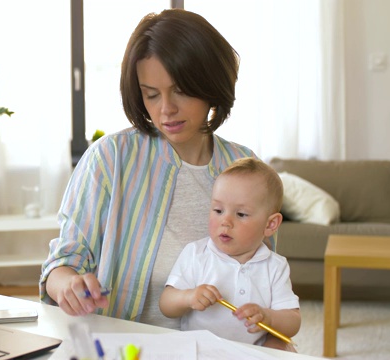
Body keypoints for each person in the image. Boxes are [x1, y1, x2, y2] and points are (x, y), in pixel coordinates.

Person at [40, 8, 270, 329]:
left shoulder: (244, 168)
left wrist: (274, 335)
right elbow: (64, 261)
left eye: (180, 90)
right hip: (125, 344)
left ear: (211, 84)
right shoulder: (111, 157)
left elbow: (267, 277)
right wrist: (67, 285)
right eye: (151, 95)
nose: (166, 110)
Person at [159, 157, 301, 351]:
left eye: (241, 214)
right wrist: (189, 297)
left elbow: (293, 322)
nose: (225, 221)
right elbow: (166, 304)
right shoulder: (196, 254)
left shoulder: (275, 266)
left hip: (252, 354)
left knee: (285, 350)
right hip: (199, 352)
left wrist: (268, 316)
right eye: (218, 210)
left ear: (270, 225)